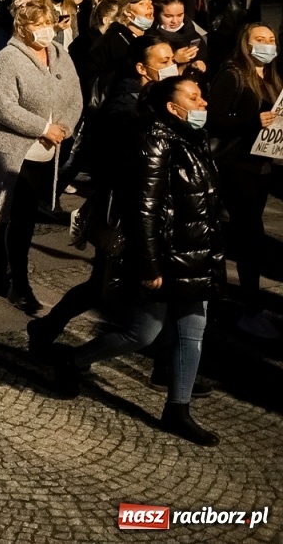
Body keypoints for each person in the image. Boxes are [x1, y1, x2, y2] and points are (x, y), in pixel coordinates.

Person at [54, 77, 224, 447]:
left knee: (192, 331)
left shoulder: (193, 138)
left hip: (193, 253)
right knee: (141, 333)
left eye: (201, 96)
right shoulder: (155, 139)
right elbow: (143, 208)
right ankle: (73, 360)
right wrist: (151, 265)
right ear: (172, 107)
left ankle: (178, 408)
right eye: (192, 97)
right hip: (164, 254)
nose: (202, 102)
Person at [29, 37, 176, 352]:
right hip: (123, 209)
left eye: (172, 59)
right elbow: (121, 155)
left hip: (142, 207)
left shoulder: (151, 98)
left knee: (118, 287)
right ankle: (51, 332)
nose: (171, 66)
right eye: (163, 61)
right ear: (142, 68)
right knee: (101, 287)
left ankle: (165, 363)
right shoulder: (127, 104)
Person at [0, 1, 83, 314]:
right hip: (10, 147)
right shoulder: (7, 59)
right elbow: (2, 107)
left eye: (50, 23)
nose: (47, 31)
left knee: (13, 214)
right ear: (23, 28)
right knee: (22, 218)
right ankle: (18, 285)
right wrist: (42, 127)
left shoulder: (61, 56)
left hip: (47, 148)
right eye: (39, 25)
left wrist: (64, 126)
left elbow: (75, 96)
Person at [206, 23, 283, 340]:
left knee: (245, 235)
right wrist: (253, 121)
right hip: (235, 165)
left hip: (261, 166)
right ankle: (248, 309)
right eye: (259, 39)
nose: (267, 44)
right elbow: (213, 118)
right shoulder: (233, 74)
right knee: (252, 236)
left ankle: (234, 298)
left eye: (271, 39)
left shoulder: (273, 78)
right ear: (245, 43)